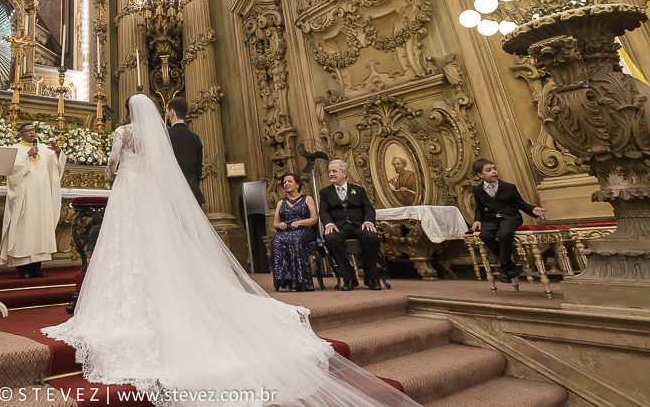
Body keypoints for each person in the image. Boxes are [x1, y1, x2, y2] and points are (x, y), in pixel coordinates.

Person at [42, 95, 419, 407]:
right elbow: (171, 168)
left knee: (125, 248)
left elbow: (111, 166)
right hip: (157, 197)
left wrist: (118, 172)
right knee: (161, 247)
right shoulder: (161, 135)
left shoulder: (123, 132)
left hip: (129, 193)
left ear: (127, 112)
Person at [1, 122, 66, 279]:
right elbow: (10, 169)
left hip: (41, 197)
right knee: (24, 228)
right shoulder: (15, 149)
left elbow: (56, 167)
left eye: (33, 130)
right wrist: (27, 155)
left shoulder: (44, 148)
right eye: (28, 130)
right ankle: (23, 269)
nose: (32, 132)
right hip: (24, 196)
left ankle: (36, 268)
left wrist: (58, 153)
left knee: (39, 229)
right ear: (21, 134)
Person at [470, 159, 547, 283]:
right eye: (489, 170)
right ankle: (511, 266)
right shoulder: (477, 190)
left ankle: (504, 268)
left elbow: (521, 204)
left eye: (494, 169)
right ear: (480, 175)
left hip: (510, 217)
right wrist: (477, 220)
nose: (494, 172)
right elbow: (479, 208)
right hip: (491, 219)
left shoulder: (509, 187)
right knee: (485, 235)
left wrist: (533, 210)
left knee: (504, 233)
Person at [318, 160, 382, 291]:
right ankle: (349, 278)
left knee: (372, 236)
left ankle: (371, 277)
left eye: (334, 171)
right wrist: (329, 224)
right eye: (329, 171)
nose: (331, 174)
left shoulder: (358, 190)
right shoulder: (325, 192)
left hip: (359, 225)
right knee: (330, 238)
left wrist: (368, 221)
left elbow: (369, 209)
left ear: (344, 173)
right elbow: (323, 211)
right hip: (338, 227)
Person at [270, 172, 318, 292]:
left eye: (289, 181)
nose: (286, 184)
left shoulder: (308, 199)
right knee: (276, 239)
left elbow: (314, 219)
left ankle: (299, 281)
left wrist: (300, 222)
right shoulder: (281, 202)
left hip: (305, 230)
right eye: (284, 182)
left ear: (297, 184)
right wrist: (280, 224)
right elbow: (275, 223)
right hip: (286, 230)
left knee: (296, 238)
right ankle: (284, 279)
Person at [165, 97, 204, 205]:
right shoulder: (195, 138)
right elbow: (198, 170)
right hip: (193, 195)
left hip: (172, 196)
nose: (166, 115)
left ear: (172, 112)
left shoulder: (165, 136)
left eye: (166, 112)